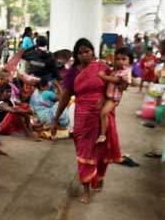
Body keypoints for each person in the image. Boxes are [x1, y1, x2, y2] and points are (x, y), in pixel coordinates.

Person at [52, 38, 123, 204]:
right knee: (84, 153)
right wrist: (56, 118)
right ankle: (85, 189)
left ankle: (98, 176)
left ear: (93, 51)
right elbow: (65, 96)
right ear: (76, 55)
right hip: (83, 117)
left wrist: (107, 103)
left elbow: (115, 90)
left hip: (101, 115)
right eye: (80, 53)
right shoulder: (73, 72)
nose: (84, 55)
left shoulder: (103, 68)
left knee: (102, 150)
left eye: (87, 51)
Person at [96, 47, 132, 146]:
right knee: (100, 112)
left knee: (103, 113)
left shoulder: (126, 71)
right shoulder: (115, 70)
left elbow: (118, 80)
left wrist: (104, 76)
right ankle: (102, 133)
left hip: (113, 98)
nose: (120, 61)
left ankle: (102, 135)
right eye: (117, 59)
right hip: (108, 95)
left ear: (129, 61)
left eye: (123, 59)